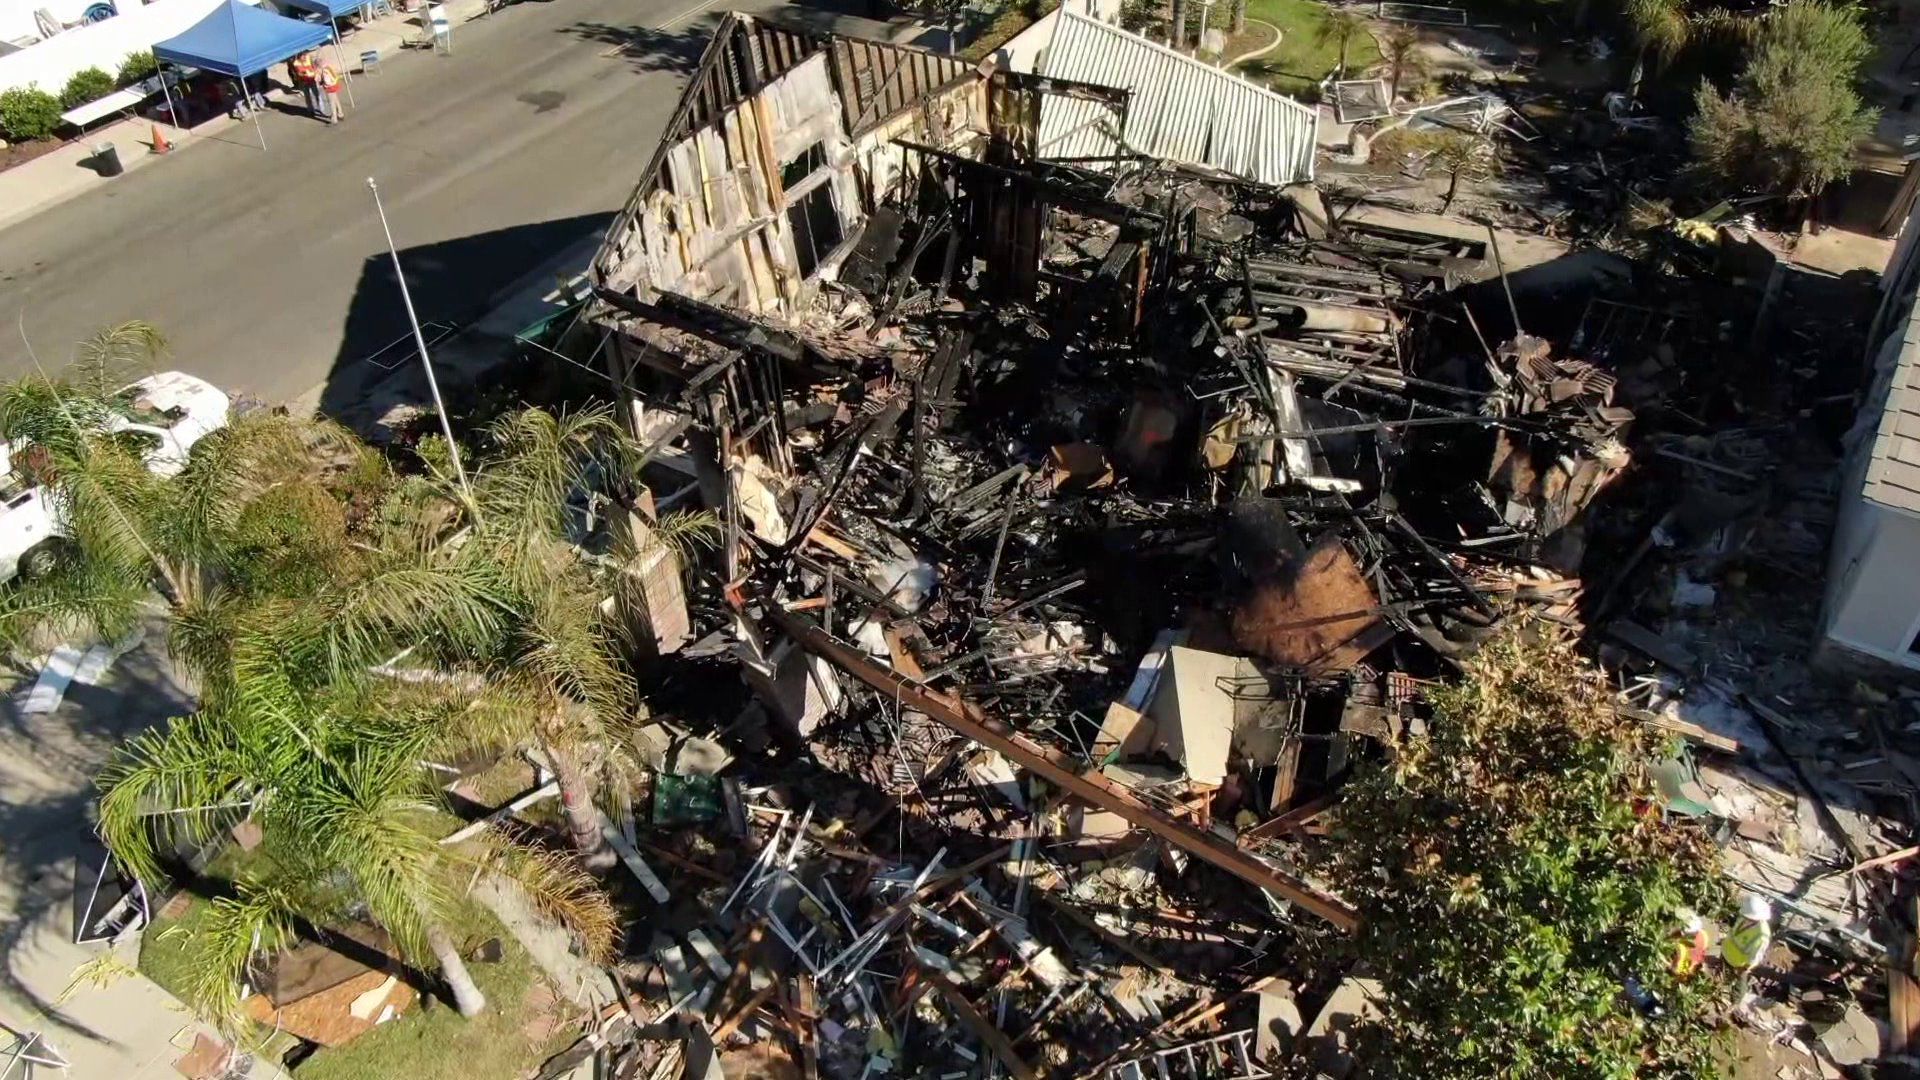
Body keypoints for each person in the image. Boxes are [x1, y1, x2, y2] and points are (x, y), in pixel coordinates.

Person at [289, 50, 322, 119]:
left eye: (304, 55)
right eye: (302, 55)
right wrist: (306, 72)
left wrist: (314, 72)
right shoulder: (296, 63)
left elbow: (313, 67)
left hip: (312, 80)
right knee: (308, 96)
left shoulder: (308, 58)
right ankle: (311, 110)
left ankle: (321, 108)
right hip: (304, 82)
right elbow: (300, 72)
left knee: (317, 94)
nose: (304, 57)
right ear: (299, 56)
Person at [317, 60, 341, 125]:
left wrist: (322, 83)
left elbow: (327, 81)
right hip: (335, 85)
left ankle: (334, 119)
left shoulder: (324, 72)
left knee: (332, 103)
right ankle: (340, 113)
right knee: (336, 100)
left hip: (330, 88)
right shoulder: (328, 67)